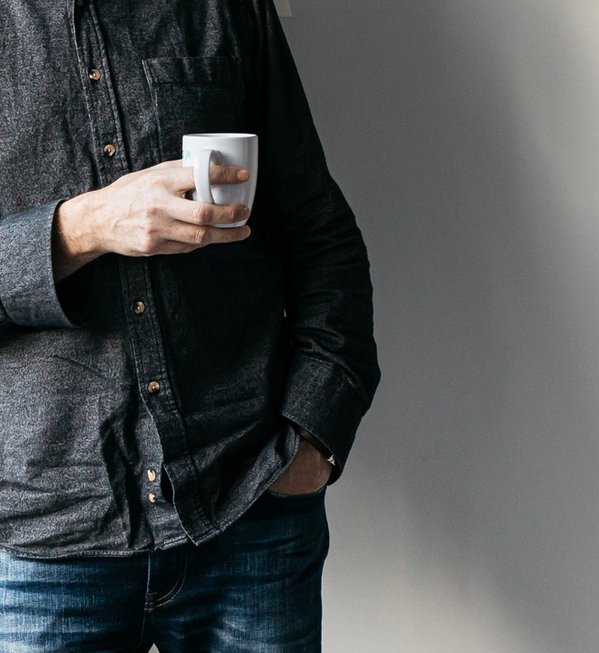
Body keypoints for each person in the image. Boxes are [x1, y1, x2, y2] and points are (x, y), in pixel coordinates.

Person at [0, 1, 380, 651]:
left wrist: (314, 433)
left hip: (250, 509)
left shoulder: (224, 8)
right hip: (46, 543)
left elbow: (320, 234)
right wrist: (85, 227)